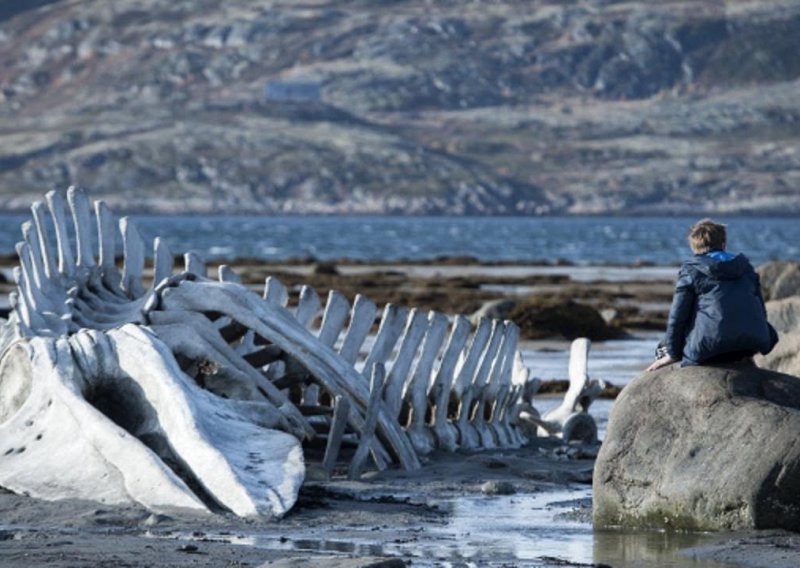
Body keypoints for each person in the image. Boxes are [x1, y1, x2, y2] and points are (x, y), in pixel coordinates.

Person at [647, 218, 778, 372]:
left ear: (694, 247)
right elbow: (761, 311)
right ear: (723, 244)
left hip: (711, 348)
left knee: (663, 347)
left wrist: (673, 354)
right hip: (751, 344)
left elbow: (678, 317)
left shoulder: (692, 270)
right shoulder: (746, 268)